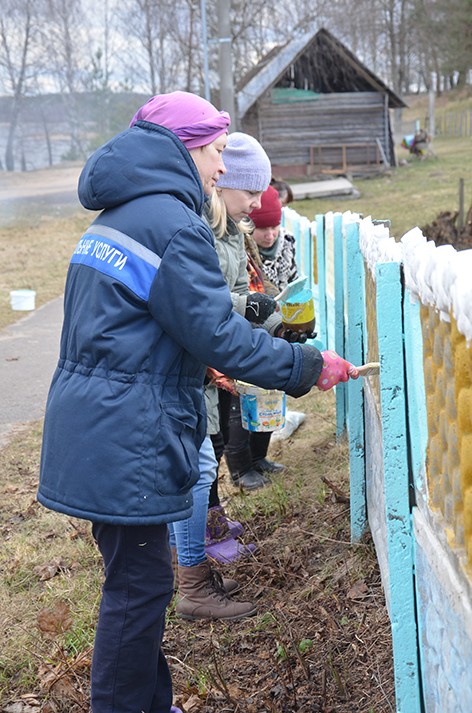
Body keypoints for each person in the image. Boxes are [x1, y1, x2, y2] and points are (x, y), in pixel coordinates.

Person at [37, 91, 357, 713]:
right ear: (185, 149)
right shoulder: (173, 224)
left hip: (98, 423)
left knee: (140, 581)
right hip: (126, 429)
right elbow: (219, 333)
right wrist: (306, 366)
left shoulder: (123, 214)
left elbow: (147, 327)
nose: (219, 167)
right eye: (214, 152)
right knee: (137, 587)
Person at [250, 184, 298, 293]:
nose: (270, 235)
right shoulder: (241, 253)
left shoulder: (287, 244)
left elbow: (293, 283)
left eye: (274, 227)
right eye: (262, 229)